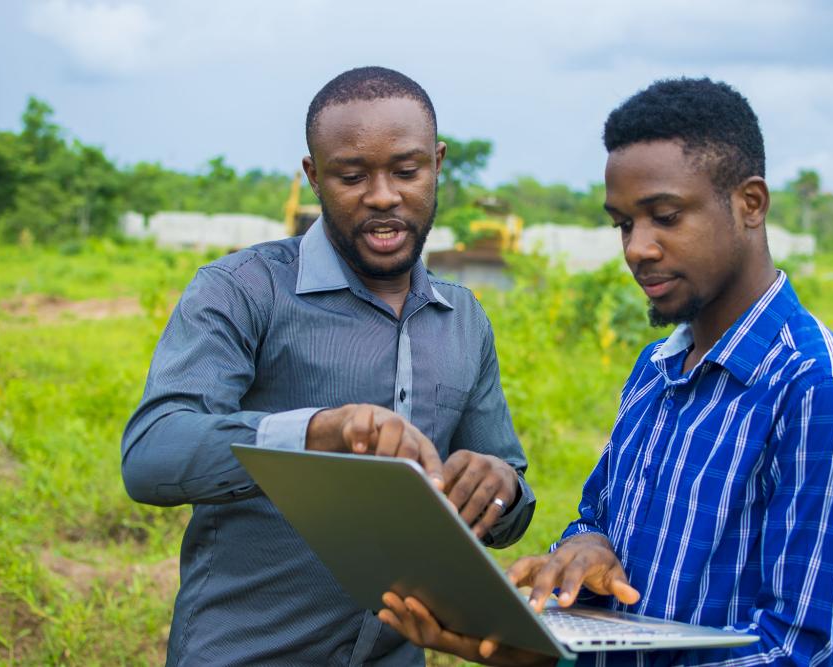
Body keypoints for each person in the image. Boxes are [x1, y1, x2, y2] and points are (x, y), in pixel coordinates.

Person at [377, 78, 833, 667]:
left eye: (665, 216)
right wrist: (582, 551)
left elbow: (796, 653)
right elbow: (597, 517)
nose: (638, 248)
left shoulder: (826, 392)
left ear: (751, 204)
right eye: (623, 224)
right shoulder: (656, 369)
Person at [121, 66, 536, 666]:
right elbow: (151, 455)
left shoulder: (464, 319)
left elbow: (510, 500)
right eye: (351, 175)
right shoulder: (241, 291)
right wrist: (317, 432)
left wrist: (500, 485)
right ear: (313, 177)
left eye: (406, 170)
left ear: (438, 163)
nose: (383, 195)